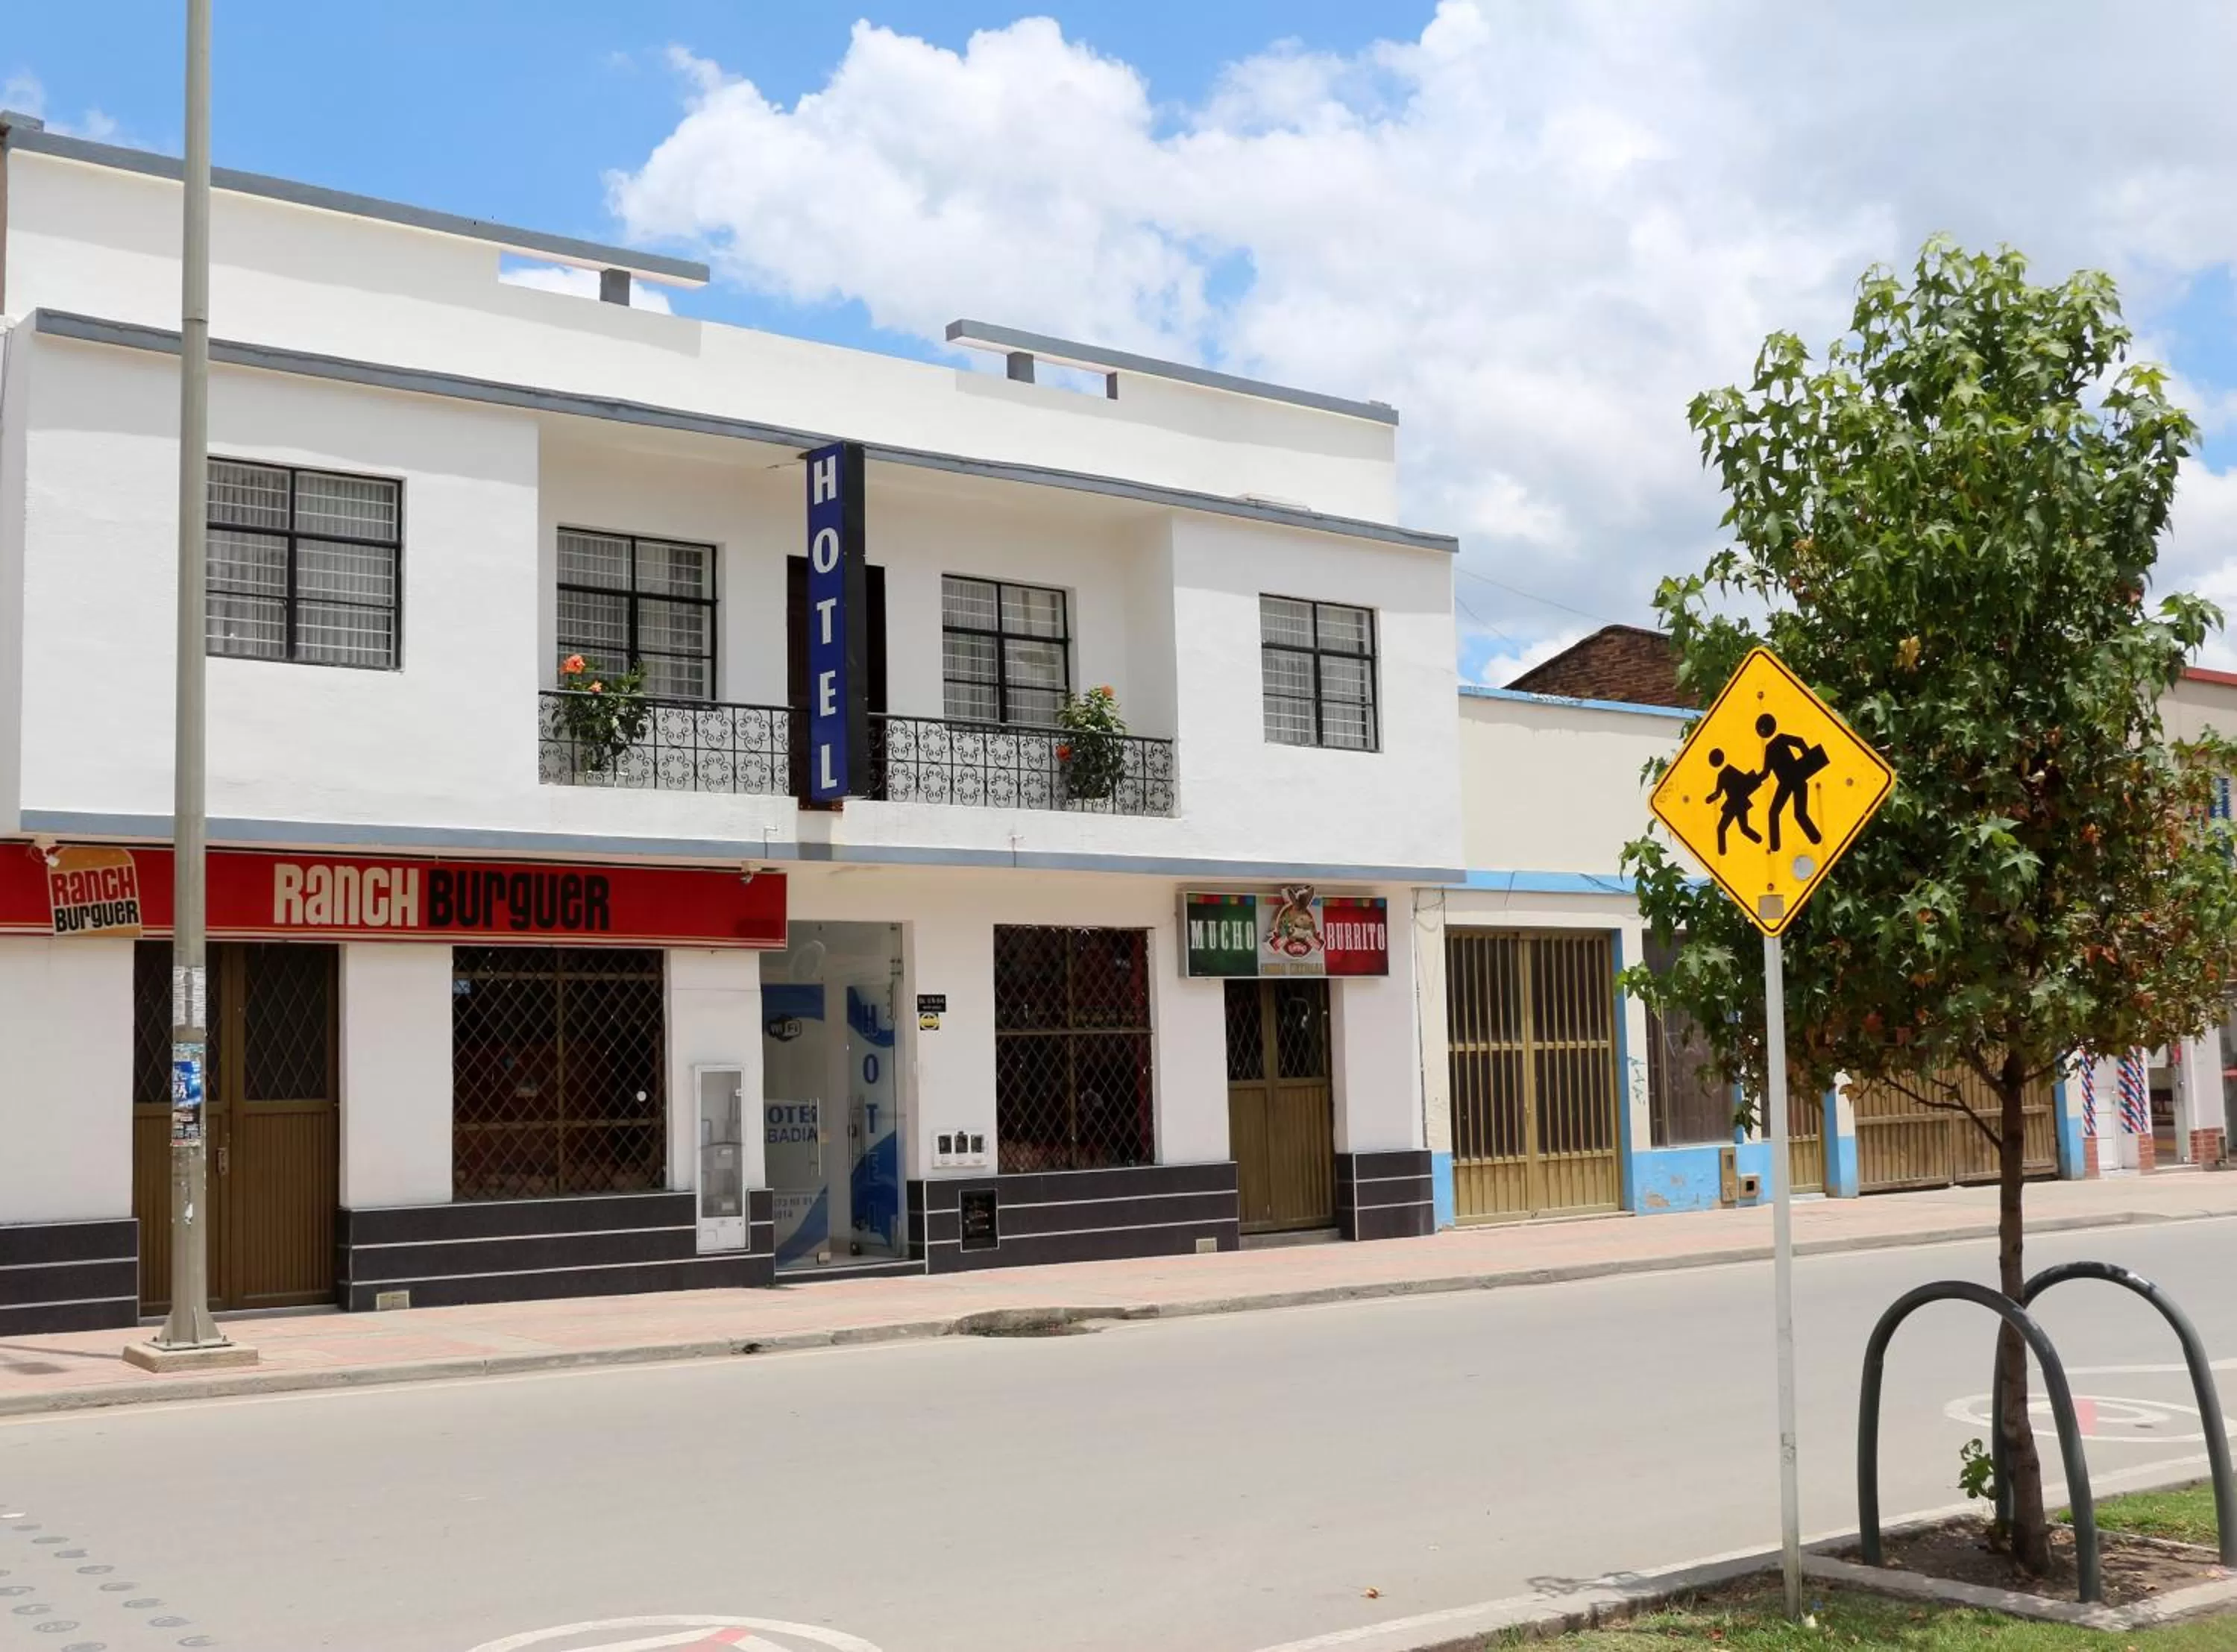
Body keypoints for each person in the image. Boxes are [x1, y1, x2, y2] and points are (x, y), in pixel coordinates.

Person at [1758, 713, 1827, 851]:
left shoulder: (1778, 741)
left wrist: (1808, 760)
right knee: (1791, 813)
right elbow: (1766, 773)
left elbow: (1800, 741)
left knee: (1785, 813)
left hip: (1792, 780)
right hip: (1792, 781)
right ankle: (1814, 840)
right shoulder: (1774, 745)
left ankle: (1815, 840)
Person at [1705, 748, 1765, 856]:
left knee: (1722, 828)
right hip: (1740, 802)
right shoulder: (1730, 769)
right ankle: (1760, 841)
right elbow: (1744, 780)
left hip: (1733, 804)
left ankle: (1722, 853)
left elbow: (1718, 794)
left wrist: (1709, 799)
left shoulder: (1722, 775)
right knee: (1744, 829)